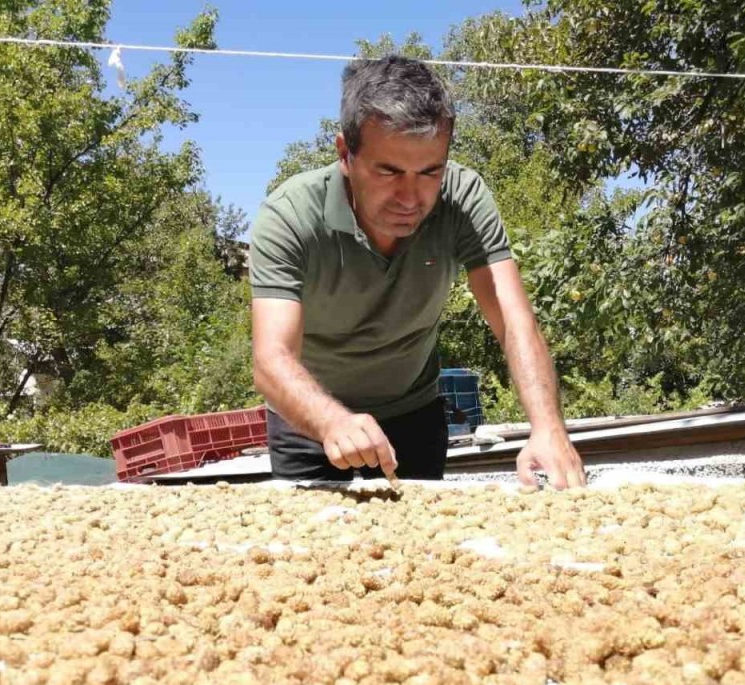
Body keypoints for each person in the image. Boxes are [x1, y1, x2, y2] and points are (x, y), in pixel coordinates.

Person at [248, 55, 586, 489]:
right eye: (388, 171)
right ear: (345, 155)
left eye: (430, 172)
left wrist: (548, 428)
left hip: (414, 416)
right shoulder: (290, 214)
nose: (411, 197)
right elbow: (271, 359)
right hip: (310, 424)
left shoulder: (463, 198)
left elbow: (513, 319)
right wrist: (333, 421)